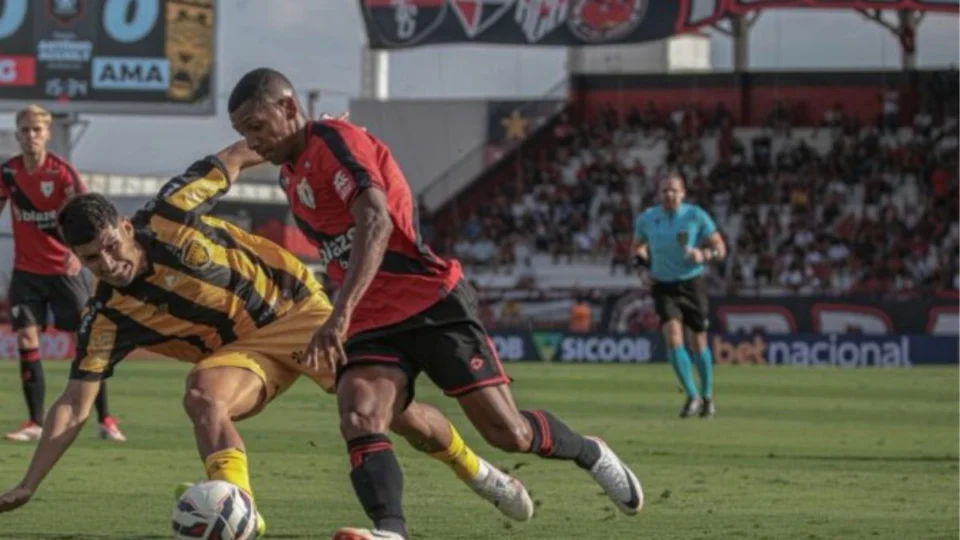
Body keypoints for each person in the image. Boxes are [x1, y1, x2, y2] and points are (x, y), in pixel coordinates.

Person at [0, 141, 534, 536]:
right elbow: (74, 407)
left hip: (300, 312)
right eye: (93, 259)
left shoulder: (170, 212)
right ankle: (242, 513)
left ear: (122, 224)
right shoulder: (106, 316)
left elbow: (236, 155)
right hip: (243, 355)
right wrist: (30, 483)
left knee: (400, 417)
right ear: (78, 260)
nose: (110, 264)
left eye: (112, 246)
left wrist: (302, 149)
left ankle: (479, 472)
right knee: (201, 395)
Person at [228, 68, 643, 540]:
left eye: (255, 126)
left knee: (509, 435)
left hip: (427, 301)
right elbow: (330, 237)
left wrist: (337, 316)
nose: (251, 140)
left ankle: (590, 451)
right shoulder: (289, 173)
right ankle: (390, 531)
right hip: (369, 317)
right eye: (242, 131)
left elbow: (377, 223)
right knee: (360, 412)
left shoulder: (337, 142)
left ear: (287, 108)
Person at [0, 105, 124, 442]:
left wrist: (85, 256)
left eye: (36, 130)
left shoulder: (62, 174)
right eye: (24, 130)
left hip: (63, 272)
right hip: (26, 274)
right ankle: (35, 423)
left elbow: (85, 216)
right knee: (26, 339)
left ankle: (105, 420)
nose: (30, 136)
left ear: (47, 133)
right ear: (18, 133)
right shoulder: (8, 173)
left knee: (87, 344)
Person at [632, 174, 727, 418]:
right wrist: (641, 269)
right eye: (664, 190)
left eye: (673, 190)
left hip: (692, 284)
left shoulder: (695, 215)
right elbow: (638, 247)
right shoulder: (648, 218)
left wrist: (703, 255)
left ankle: (707, 396)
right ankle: (692, 395)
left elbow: (720, 248)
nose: (669, 195)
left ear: (683, 193)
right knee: (674, 338)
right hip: (663, 285)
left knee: (698, 342)